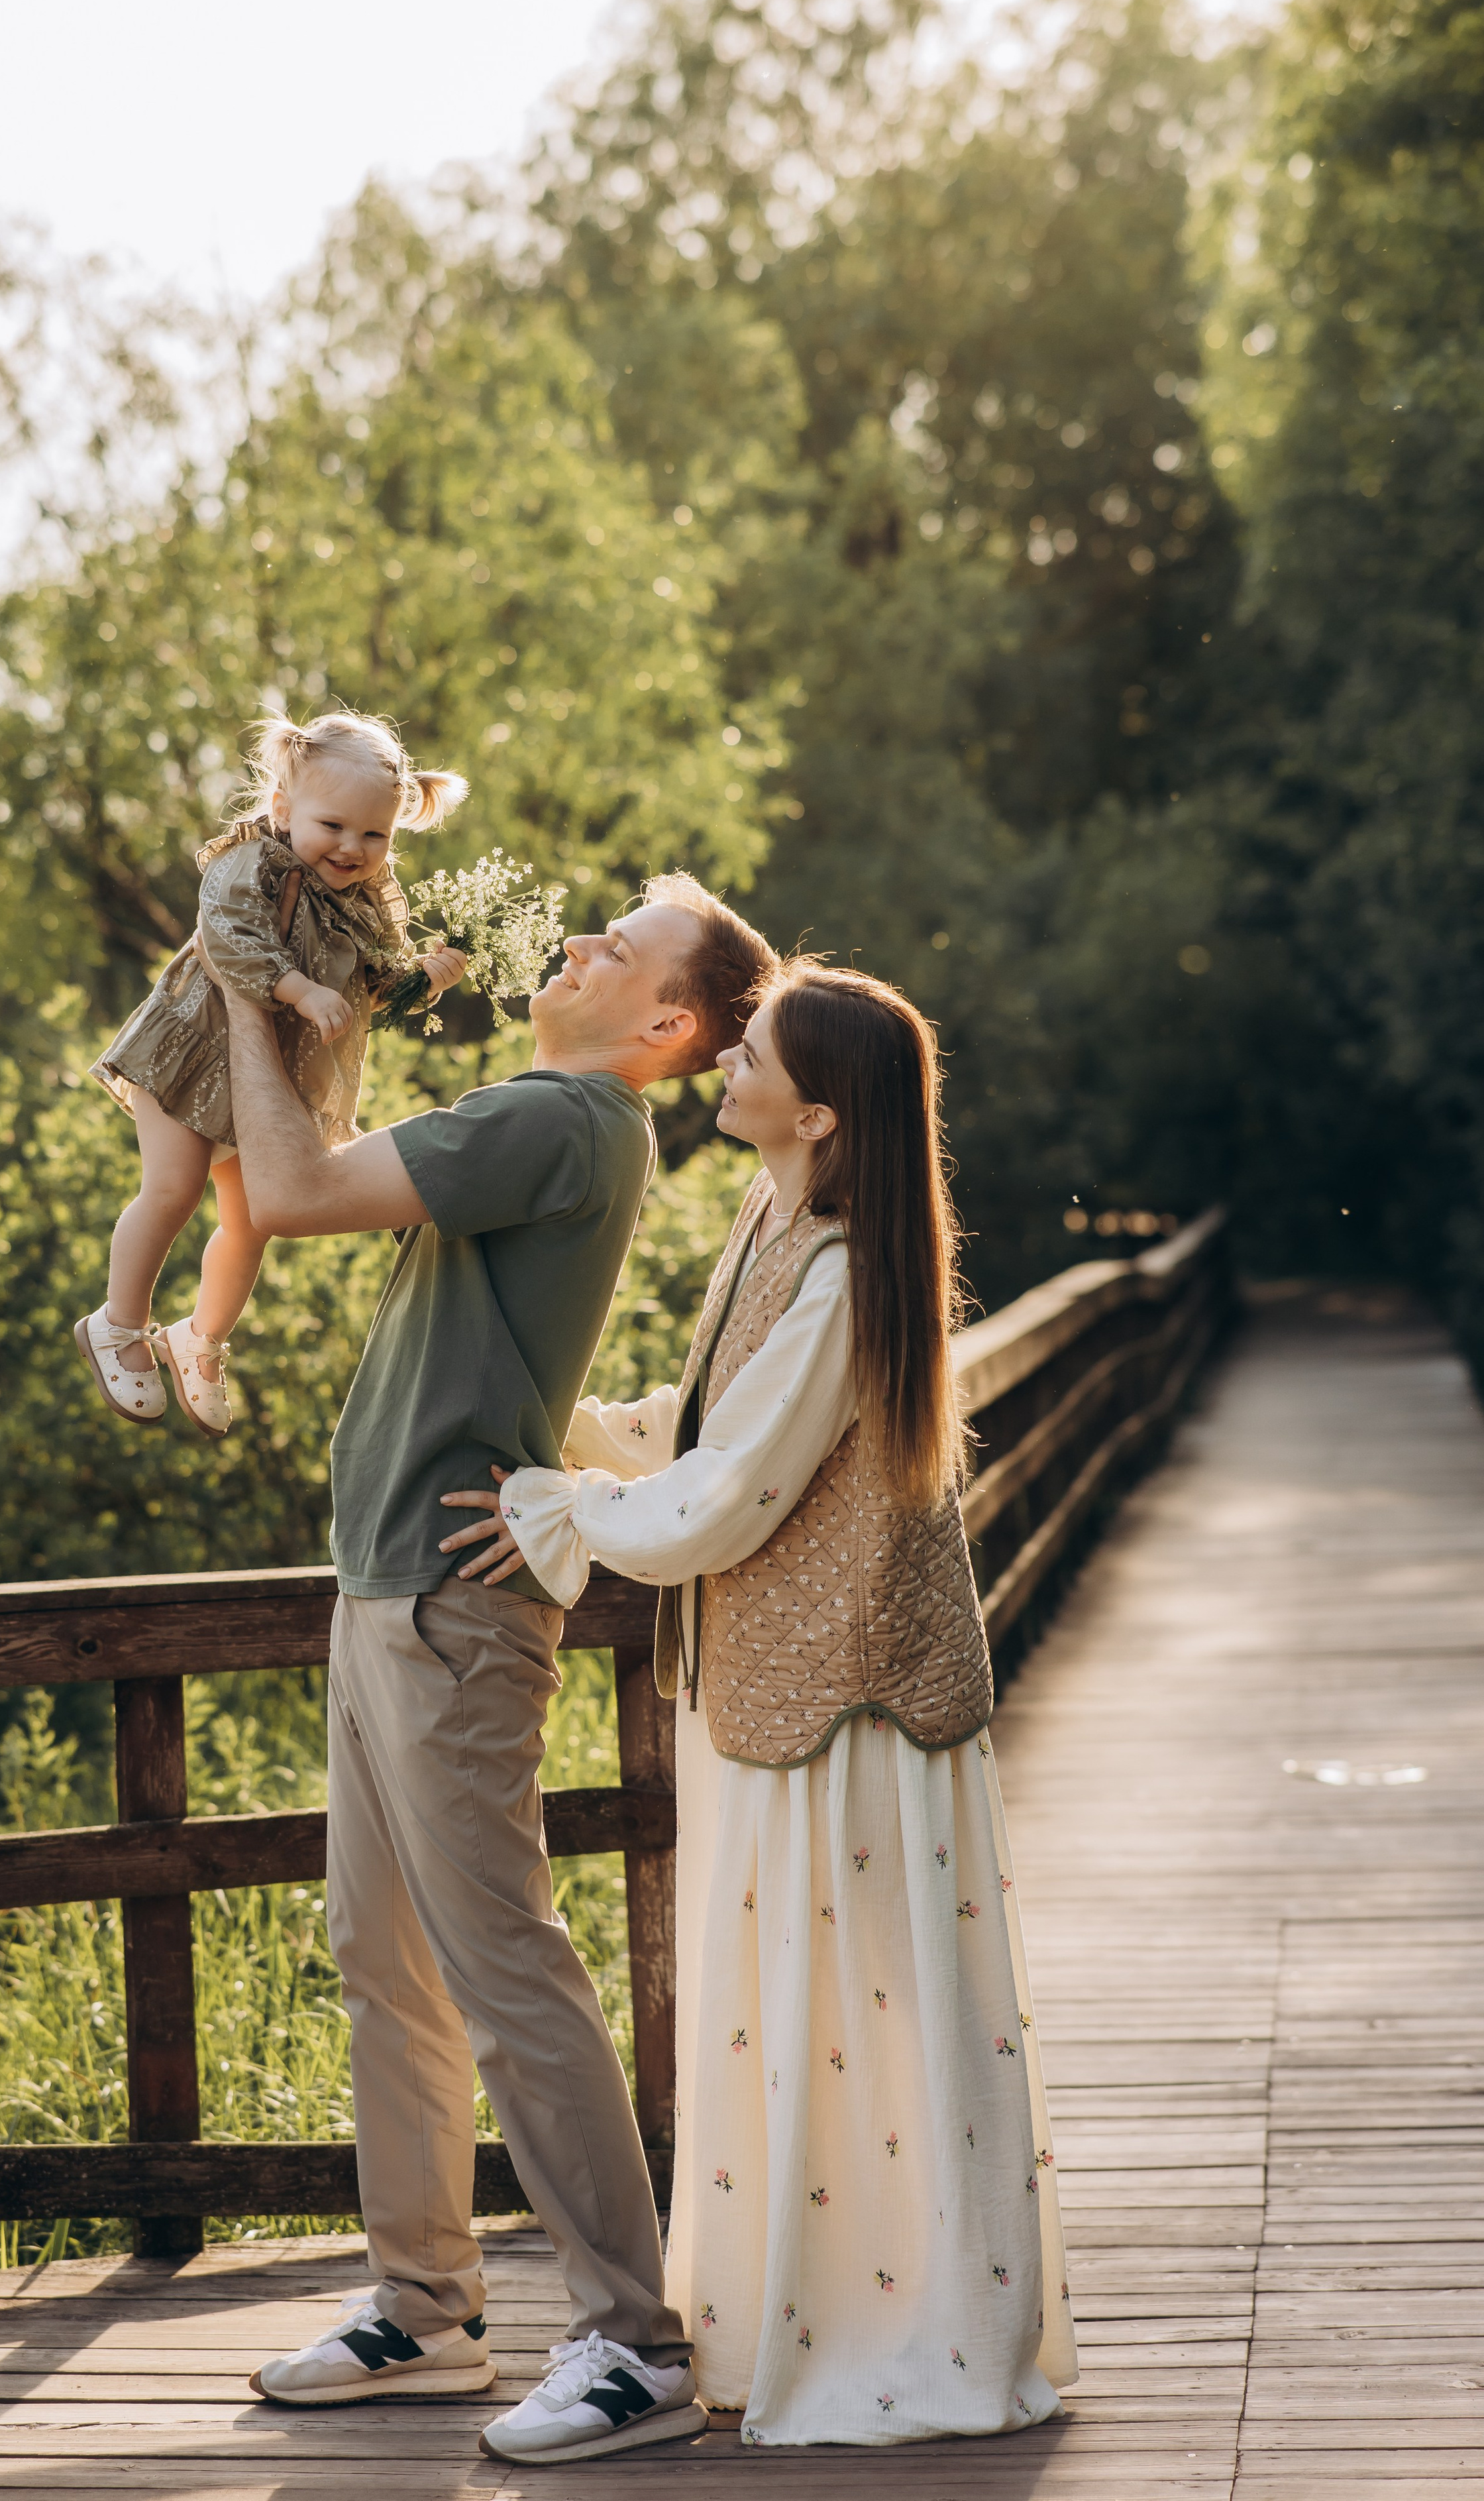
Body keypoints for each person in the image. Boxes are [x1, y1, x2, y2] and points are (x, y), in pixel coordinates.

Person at [459, 963, 1079, 2449]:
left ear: (810, 1112)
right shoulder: (776, 1223)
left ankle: (897, 2323)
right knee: (802, 2010)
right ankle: (788, 2309)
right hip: (776, 1688)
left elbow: (723, 1500)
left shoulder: (842, 1264)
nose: (722, 1056)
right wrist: (576, 1428)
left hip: (846, 1704)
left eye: (749, 1051)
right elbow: (717, 1424)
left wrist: (558, 1505)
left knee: (851, 2007)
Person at [223, 870, 778, 2467]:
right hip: (389, 1583)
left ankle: (629, 2339)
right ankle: (427, 2309)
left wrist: (247, 995)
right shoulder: (553, 1116)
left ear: (663, 1023)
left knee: (505, 1970)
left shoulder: (561, 1116)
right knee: (381, 1956)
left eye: (623, 943)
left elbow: (291, 1188)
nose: (583, 942)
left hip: (448, 1616)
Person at [79, 710, 468, 1438]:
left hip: (265, 1083)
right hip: (190, 1050)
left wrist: (423, 977)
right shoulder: (255, 863)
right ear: (284, 809)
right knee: (173, 1188)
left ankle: (201, 1339)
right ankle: (119, 1323)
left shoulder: (366, 902)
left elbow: (366, 988)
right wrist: (296, 989)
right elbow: (226, 934)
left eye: (374, 834)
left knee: (254, 1219)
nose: (352, 848)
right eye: (333, 826)